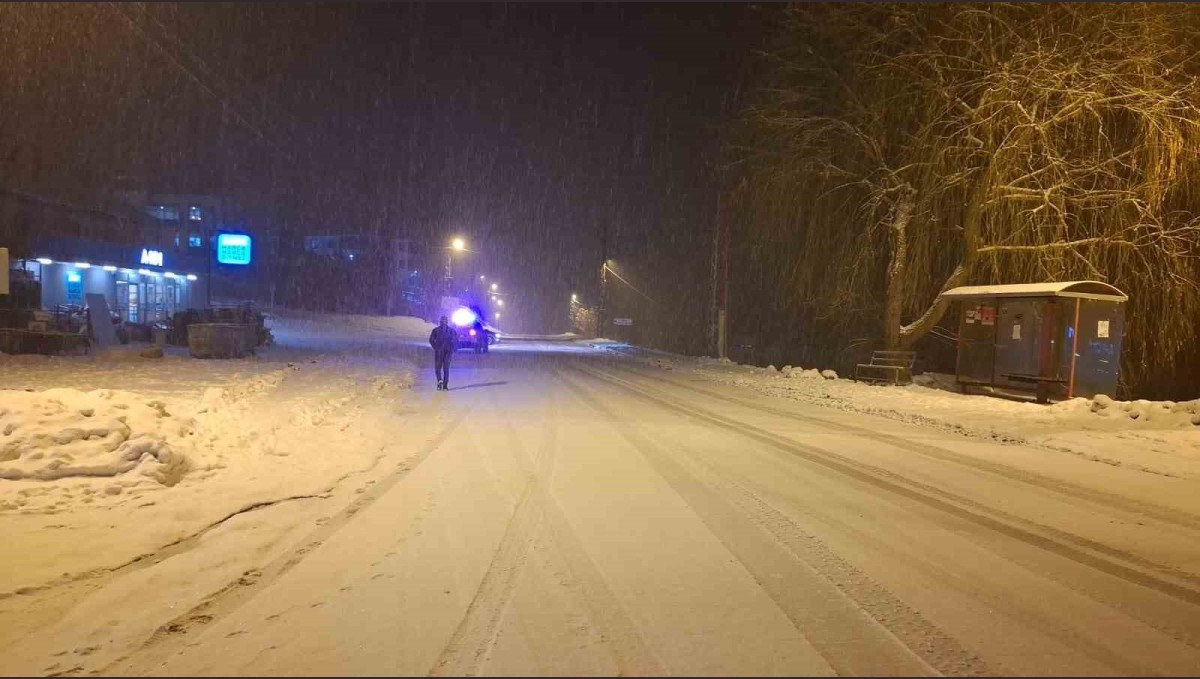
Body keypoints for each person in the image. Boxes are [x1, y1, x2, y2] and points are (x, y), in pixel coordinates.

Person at [429, 316, 457, 390]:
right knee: (446, 369)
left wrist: (436, 347)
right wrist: (452, 349)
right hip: (448, 352)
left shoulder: (435, 330)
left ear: (440, 322)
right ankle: (445, 386)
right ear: (447, 322)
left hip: (439, 352)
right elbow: (456, 340)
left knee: (438, 368)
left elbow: (431, 340)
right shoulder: (451, 330)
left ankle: (439, 380)